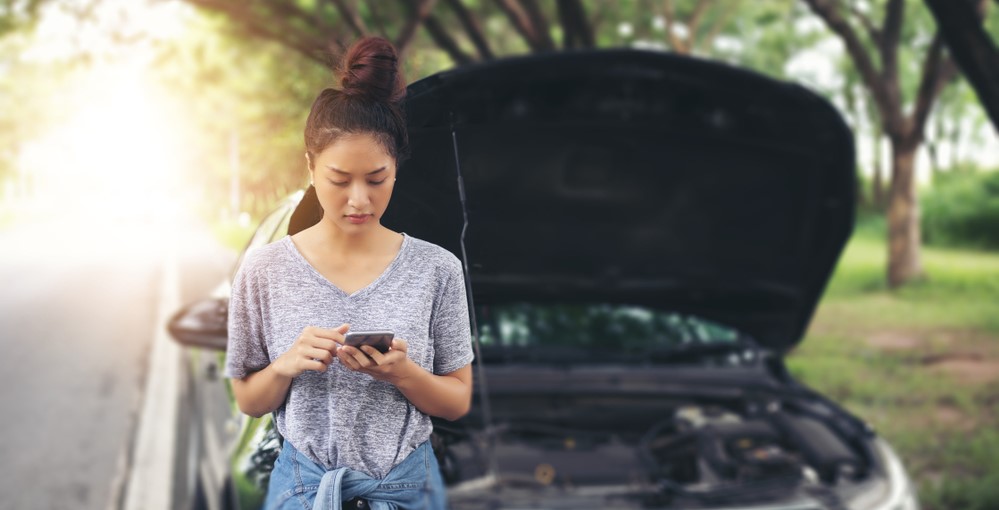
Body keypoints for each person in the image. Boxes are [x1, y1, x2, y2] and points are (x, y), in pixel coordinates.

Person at [224, 36, 474, 510]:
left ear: (396, 168)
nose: (358, 199)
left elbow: (458, 401)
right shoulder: (264, 270)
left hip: (409, 491)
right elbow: (249, 401)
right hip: (302, 491)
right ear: (311, 168)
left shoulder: (438, 269)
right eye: (340, 180)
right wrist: (286, 365)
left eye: (376, 179)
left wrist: (404, 374)